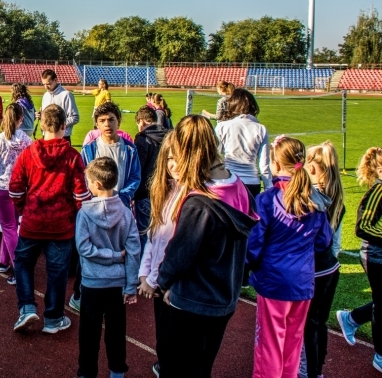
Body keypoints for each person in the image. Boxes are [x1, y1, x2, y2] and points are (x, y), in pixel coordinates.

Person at [156, 115, 258, 378]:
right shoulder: (239, 186)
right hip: (225, 295)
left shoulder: (200, 203)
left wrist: (164, 283)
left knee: (178, 368)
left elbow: (180, 254)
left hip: (193, 301)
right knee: (202, 367)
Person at [247, 135, 332, 378]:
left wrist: (249, 265)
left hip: (274, 281)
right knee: (293, 345)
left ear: (275, 164)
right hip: (303, 281)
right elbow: (323, 241)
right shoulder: (314, 200)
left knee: (270, 344)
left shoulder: (268, 199)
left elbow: (254, 245)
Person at [9, 104, 90, 334]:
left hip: (32, 221)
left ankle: (26, 307)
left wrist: (25, 208)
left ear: (41, 125)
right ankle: (53, 317)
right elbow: (81, 195)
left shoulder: (28, 153)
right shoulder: (73, 156)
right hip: (61, 226)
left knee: (23, 264)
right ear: (64, 126)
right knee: (58, 272)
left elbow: (14, 188)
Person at [72, 102, 140, 310]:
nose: (107, 124)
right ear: (96, 124)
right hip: (94, 208)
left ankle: (120, 289)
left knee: (121, 248)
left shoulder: (129, 149)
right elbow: (84, 178)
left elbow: (135, 177)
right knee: (88, 251)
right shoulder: (90, 149)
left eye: (111, 119)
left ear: (119, 120)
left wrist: (122, 197)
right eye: (102, 121)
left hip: (120, 208)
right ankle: (79, 293)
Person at [76, 157, 140, 378]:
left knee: (88, 332)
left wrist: (108, 255)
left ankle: (86, 372)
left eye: (88, 181)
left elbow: (83, 248)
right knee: (116, 332)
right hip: (117, 283)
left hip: (93, 282)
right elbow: (134, 250)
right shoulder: (125, 213)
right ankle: (117, 372)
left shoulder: (84, 213)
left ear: (97, 184)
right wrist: (131, 284)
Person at [299, 141, 345, 378]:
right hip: (330, 267)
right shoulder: (337, 195)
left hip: (314, 268)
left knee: (308, 324)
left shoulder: (312, 198)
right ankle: (317, 368)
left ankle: (309, 370)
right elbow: (335, 242)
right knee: (319, 322)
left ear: (314, 168)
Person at [137, 131, 181, 377]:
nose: (173, 165)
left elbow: (179, 246)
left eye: (178, 159)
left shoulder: (191, 197)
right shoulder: (164, 191)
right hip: (159, 279)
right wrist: (146, 274)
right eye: (169, 159)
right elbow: (154, 236)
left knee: (177, 339)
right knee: (163, 335)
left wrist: (156, 280)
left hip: (173, 282)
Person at [336, 147, 382, 373]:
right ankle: (380, 355)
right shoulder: (378, 191)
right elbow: (362, 227)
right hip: (376, 254)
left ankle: (351, 318)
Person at [0, 104, 32, 284]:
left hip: (3, 187)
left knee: (8, 227)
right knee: (10, 226)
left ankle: (19, 268)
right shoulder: (26, 140)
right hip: (20, 188)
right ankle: (4, 261)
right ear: (20, 119)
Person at [215, 87, 272, 197]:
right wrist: (268, 187)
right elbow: (264, 163)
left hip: (229, 179)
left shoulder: (222, 126)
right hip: (252, 182)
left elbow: (216, 156)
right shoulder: (261, 129)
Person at [133, 105, 169, 251]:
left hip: (145, 194)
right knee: (163, 233)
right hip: (166, 192)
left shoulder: (142, 140)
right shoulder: (169, 137)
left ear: (141, 122)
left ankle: (143, 270)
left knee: (144, 234)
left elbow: (138, 169)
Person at [38, 69, 79, 141]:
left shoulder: (66, 95)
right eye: (44, 84)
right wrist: (41, 116)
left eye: (48, 84)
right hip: (46, 136)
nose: (46, 87)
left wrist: (57, 125)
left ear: (55, 80)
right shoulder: (45, 95)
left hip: (62, 137)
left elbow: (75, 117)